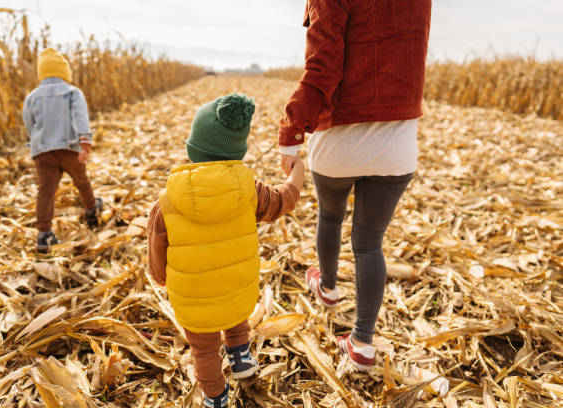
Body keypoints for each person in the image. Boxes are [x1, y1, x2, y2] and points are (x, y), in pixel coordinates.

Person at [278, 0, 432, 370]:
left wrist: (291, 130)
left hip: (340, 140)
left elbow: (323, 67)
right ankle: (363, 343)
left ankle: (327, 288)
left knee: (330, 216)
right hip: (398, 144)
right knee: (369, 243)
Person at [147, 93, 304, 407]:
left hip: (194, 300)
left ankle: (215, 396)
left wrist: (161, 276)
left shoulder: (167, 201)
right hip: (238, 291)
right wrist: (298, 171)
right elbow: (284, 200)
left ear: (193, 149)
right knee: (235, 316)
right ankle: (242, 358)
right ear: (236, 152)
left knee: (204, 352)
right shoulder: (250, 189)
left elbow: (156, 250)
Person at [22, 48, 103, 253]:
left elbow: (29, 123)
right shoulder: (72, 92)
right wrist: (85, 141)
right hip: (69, 149)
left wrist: (37, 144)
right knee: (82, 182)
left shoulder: (32, 97)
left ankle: (44, 234)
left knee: (45, 192)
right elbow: (80, 118)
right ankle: (92, 210)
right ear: (64, 73)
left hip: (43, 153)